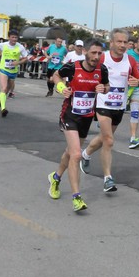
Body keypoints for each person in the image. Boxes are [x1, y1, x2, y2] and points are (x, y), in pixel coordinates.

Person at [48, 40, 109, 211]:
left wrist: (104, 89)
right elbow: (56, 75)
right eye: (93, 53)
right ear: (86, 52)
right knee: (76, 154)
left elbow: (107, 86)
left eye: (99, 54)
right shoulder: (73, 67)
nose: (96, 57)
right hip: (70, 115)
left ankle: (56, 177)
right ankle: (77, 197)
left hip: (86, 117)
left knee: (70, 152)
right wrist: (61, 87)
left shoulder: (101, 70)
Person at [79, 28, 139, 192]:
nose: (122, 45)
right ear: (111, 42)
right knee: (109, 141)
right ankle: (108, 178)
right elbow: (88, 73)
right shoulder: (103, 57)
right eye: (119, 41)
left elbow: (137, 78)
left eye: (125, 42)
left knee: (104, 138)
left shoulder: (130, 61)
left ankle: (85, 154)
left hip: (119, 106)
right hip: (102, 104)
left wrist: (137, 82)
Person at [0, 29, 29, 117]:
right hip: (4, 69)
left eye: (16, 37)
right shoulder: (3, 45)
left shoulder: (20, 47)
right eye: (12, 37)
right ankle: (3, 109)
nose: (14, 39)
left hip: (13, 71)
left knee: (6, 90)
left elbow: (25, 58)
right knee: (4, 88)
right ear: (9, 37)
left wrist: (18, 62)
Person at [125, 37, 139, 148]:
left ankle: (133, 138)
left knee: (135, 112)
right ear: (136, 45)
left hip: (136, 87)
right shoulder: (127, 54)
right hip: (124, 87)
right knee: (116, 111)